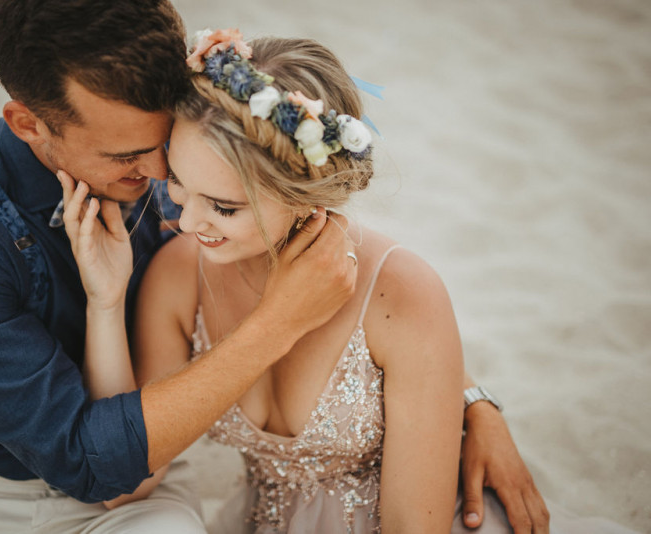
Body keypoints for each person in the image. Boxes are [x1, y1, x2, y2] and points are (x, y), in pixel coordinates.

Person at [0, 1, 546, 532]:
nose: (160, 184)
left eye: (164, 148)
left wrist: (468, 400)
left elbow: (381, 300)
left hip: (148, 497)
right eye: (128, 158)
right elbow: (95, 464)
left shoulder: (192, 169)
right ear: (27, 123)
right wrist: (276, 321)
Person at [61, 29, 556, 533]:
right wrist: (106, 302)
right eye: (178, 184)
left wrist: (476, 403)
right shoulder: (179, 275)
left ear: (306, 194)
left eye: (224, 208)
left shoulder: (402, 294)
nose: (186, 223)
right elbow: (124, 487)